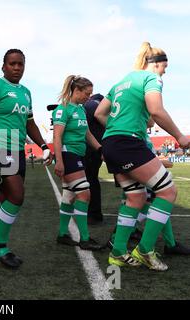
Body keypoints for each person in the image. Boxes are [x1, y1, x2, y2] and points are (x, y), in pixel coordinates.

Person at [95, 42, 190, 271]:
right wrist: (180, 136)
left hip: (111, 144)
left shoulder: (121, 82)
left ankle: (118, 252)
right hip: (128, 143)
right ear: (155, 64)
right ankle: (146, 249)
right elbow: (156, 110)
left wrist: (118, 128)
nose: (164, 72)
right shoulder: (152, 79)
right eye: (164, 67)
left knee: (135, 198)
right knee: (167, 191)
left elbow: (100, 113)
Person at [0, 49, 53, 269]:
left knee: (6, 198)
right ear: (3, 66)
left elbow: (30, 123)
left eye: (21, 64)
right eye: (12, 64)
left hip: (18, 149)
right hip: (0, 147)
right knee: (17, 196)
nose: (17, 68)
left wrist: (43, 146)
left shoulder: (26, 92)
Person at [53, 76, 104, 251]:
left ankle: (62, 234)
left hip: (78, 154)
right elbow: (57, 137)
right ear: (77, 91)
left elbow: (87, 134)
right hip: (68, 155)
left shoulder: (81, 109)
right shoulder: (63, 109)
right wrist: (59, 161)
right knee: (84, 194)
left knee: (69, 196)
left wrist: (100, 149)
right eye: (87, 94)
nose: (89, 97)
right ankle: (85, 238)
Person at [83, 94, 105, 225]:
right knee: (93, 179)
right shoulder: (99, 106)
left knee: (89, 181)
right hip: (98, 148)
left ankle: (93, 214)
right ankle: (95, 213)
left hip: (90, 148)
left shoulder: (90, 105)